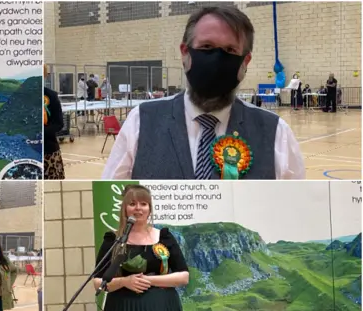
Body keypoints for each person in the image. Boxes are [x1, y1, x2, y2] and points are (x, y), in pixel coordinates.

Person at [102, 6, 305, 180]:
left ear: (245, 62)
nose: (217, 59)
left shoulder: (276, 133)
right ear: (185, 53)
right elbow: (111, 205)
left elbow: (295, 213)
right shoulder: (141, 122)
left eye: (230, 51)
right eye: (207, 47)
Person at [93, 185, 189, 311]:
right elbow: (97, 281)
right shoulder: (113, 241)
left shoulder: (164, 237)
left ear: (149, 209)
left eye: (143, 204)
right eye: (132, 203)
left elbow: (183, 276)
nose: (138, 208)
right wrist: (124, 282)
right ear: (124, 209)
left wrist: (149, 280)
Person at [44, 64, 66, 180]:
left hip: (48, 152)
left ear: (45, 76)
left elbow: (59, 123)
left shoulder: (51, 96)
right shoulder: (20, 95)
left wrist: (41, 133)